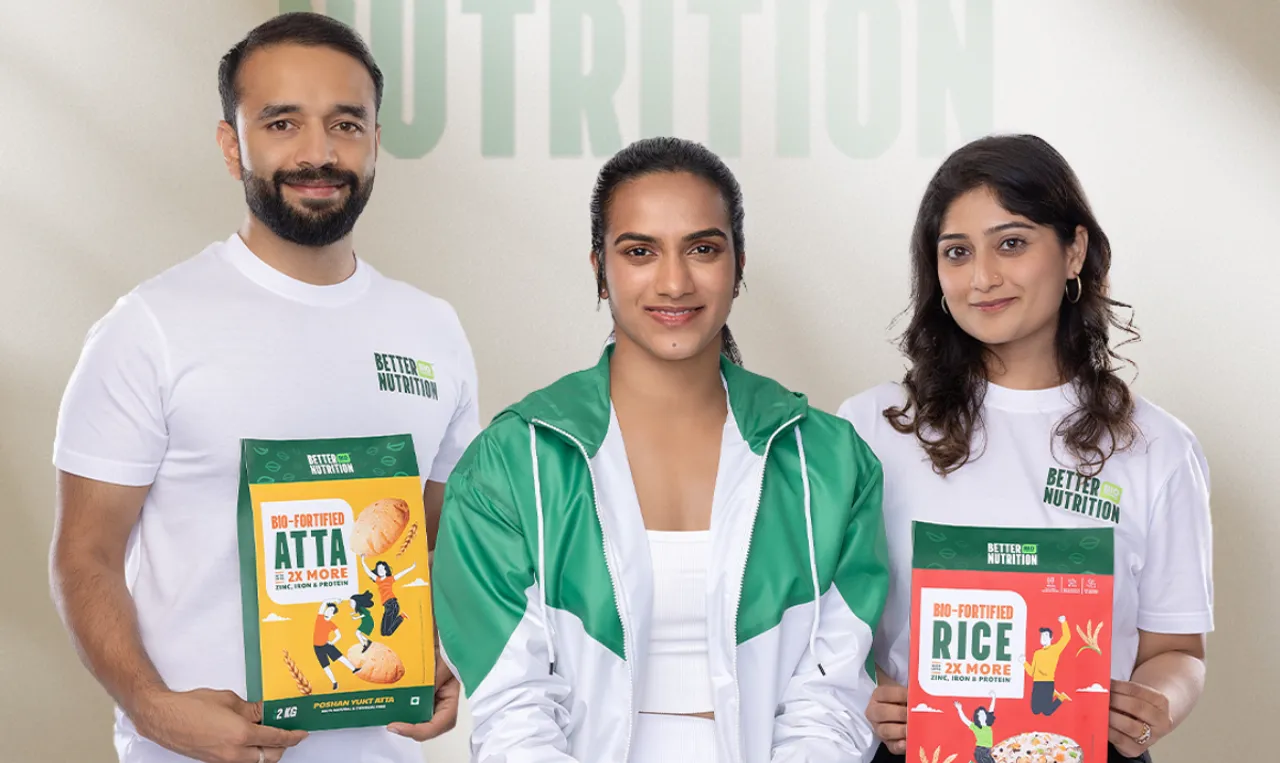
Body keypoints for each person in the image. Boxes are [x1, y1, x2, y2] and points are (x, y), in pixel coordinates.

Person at [49, 12, 477, 763]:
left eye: (346, 124)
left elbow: (432, 543)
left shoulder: (432, 331)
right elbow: (83, 554)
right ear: (231, 144)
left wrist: (450, 654)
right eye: (282, 122)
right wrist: (152, 710)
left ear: (374, 142)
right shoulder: (150, 327)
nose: (319, 152)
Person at [432, 137, 889, 762]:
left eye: (702, 249)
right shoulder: (510, 463)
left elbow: (832, 700)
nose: (674, 282)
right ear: (600, 269)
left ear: (739, 264)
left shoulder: (831, 461)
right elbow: (512, 707)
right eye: (640, 251)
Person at [840, 134, 1213, 763]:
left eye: (1011, 243)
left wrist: (1154, 708)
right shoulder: (872, 429)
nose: (983, 277)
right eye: (956, 252)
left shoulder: (1158, 447)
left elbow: (1178, 650)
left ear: (1075, 251)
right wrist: (862, 698)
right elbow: (819, 634)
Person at [1023, 616, 1073, 715]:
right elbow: (1032, 672)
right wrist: (1024, 663)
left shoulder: (1055, 649)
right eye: (1041, 636)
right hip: (1037, 683)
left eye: (1045, 635)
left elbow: (1066, 638)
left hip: (1047, 683)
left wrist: (1063, 623)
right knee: (1035, 711)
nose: (1043, 638)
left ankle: (1060, 697)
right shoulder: (1037, 653)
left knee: (1047, 712)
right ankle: (1053, 693)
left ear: (1051, 638)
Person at [360, 558, 417, 637]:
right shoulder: (378, 580)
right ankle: (401, 616)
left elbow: (401, 574)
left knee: (387, 632)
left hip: (392, 604)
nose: (380, 570)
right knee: (383, 633)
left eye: (382, 569)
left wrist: (411, 567)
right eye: (378, 569)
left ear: (386, 570)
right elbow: (369, 572)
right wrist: (362, 561)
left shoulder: (390, 579)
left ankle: (401, 617)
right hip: (387, 606)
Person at [314, 601, 361, 690]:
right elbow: (324, 603)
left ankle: (354, 669)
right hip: (317, 647)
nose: (328, 610)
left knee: (341, 657)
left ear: (333, 614)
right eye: (327, 609)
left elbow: (339, 635)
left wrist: (332, 642)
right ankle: (334, 682)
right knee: (325, 666)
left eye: (331, 610)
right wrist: (335, 599)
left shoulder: (331, 624)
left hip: (327, 644)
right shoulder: (320, 618)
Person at [954, 693, 997, 763]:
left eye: (983, 713)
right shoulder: (975, 727)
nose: (982, 715)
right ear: (977, 718)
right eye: (980, 714)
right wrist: (959, 709)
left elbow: (991, 710)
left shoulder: (988, 725)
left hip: (987, 750)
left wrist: (994, 698)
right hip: (981, 751)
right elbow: (965, 720)